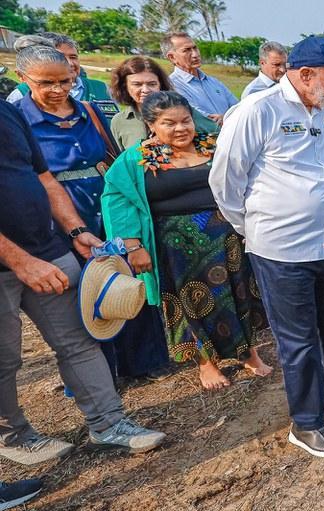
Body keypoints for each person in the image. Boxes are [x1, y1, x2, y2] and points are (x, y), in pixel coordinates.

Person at [210, 36, 324, 458]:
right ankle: (306, 424)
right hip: (282, 251)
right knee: (299, 339)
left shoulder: (321, 112)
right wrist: (255, 229)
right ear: (305, 75)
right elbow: (225, 181)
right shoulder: (257, 111)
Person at [0, 99, 166, 466]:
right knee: (4, 359)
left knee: (80, 338)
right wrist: (21, 261)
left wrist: (75, 229)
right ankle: (15, 436)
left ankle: (108, 424)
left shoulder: (5, 111)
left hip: (46, 248)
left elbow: (42, 177)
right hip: (13, 263)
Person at [14, 41, 171, 382]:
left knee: (125, 281)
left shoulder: (90, 110)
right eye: (46, 83)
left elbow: (112, 158)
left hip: (105, 204)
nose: (57, 90)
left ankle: (144, 362)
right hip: (61, 212)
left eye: (64, 81)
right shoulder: (18, 121)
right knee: (85, 294)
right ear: (23, 78)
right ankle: (102, 374)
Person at [102, 91, 273, 390]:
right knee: (189, 304)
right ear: (151, 124)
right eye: (170, 123)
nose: (181, 129)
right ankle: (206, 362)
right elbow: (117, 200)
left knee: (240, 295)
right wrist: (133, 245)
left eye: (186, 121)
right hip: (176, 248)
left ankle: (249, 353)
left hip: (227, 240)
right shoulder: (136, 160)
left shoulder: (212, 147)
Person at [109, 56, 220, 151]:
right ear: (125, 87)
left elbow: (219, 135)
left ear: (160, 85)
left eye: (152, 84)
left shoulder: (184, 112)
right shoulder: (119, 122)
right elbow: (123, 160)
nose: (145, 90)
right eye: (137, 84)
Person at [7, 33, 111, 104]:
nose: (69, 63)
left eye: (73, 57)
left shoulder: (102, 89)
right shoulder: (22, 93)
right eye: (61, 57)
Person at [163, 32, 238, 125]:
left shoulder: (213, 82)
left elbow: (239, 108)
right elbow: (203, 119)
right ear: (172, 57)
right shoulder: (172, 86)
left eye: (195, 48)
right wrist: (229, 118)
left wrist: (226, 118)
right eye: (187, 50)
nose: (195, 54)